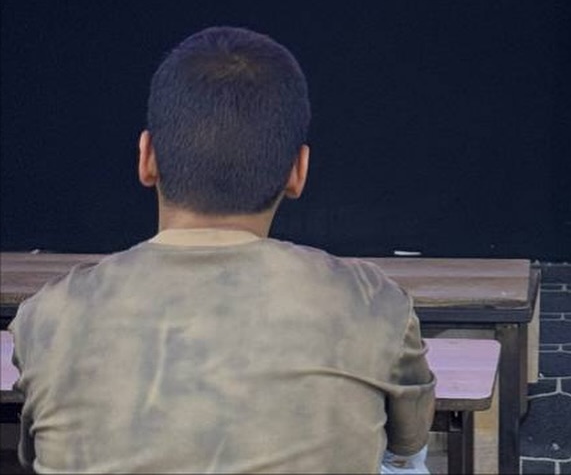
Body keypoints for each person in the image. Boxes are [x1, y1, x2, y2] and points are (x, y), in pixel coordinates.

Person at [10, 26, 435, 474]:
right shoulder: (371, 302)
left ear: (146, 157)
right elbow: (408, 442)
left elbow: (35, 454)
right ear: (299, 171)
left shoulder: (48, 316)